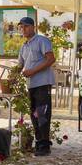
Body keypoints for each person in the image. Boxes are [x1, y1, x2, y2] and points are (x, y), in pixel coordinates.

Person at [17, 17, 55, 156]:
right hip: (31, 84)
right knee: (34, 114)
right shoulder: (24, 46)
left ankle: (45, 145)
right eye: (21, 27)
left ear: (33, 27)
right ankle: (39, 142)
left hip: (42, 83)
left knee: (42, 114)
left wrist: (33, 71)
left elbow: (51, 59)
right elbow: (20, 65)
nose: (23, 29)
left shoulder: (41, 40)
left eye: (26, 26)